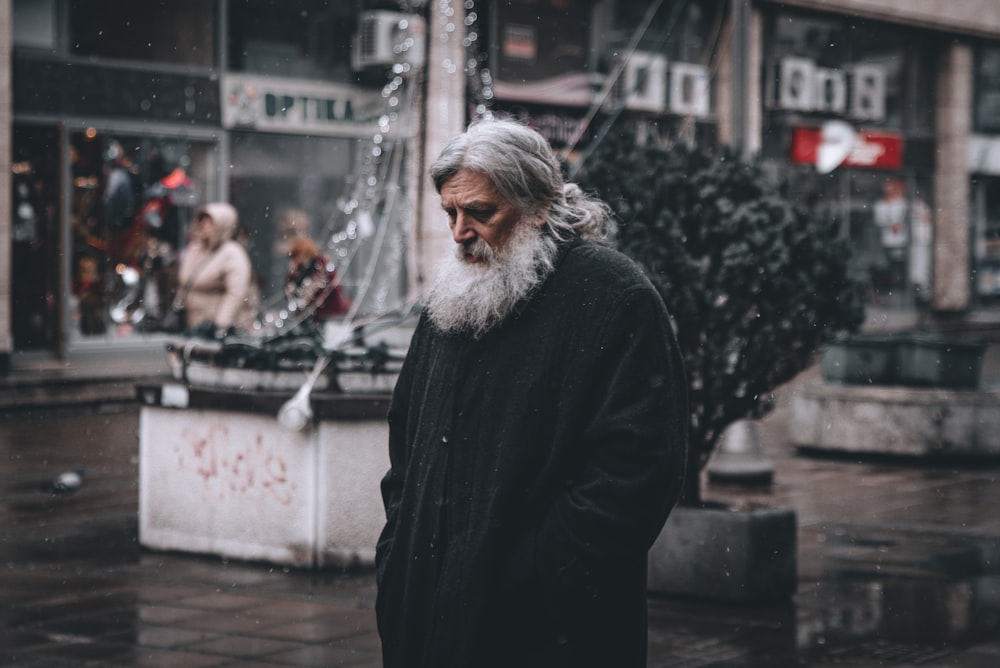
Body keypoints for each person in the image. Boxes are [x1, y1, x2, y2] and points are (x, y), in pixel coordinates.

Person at [375, 117, 689, 668]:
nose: (459, 232)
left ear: (539, 205)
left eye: (481, 213)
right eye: (451, 212)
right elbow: (406, 448)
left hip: (549, 632)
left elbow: (637, 471)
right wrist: (398, 552)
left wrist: (537, 572)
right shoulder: (450, 298)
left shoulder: (614, 297)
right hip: (425, 617)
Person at [173, 202, 257, 333]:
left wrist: (220, 327)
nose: (205, 226)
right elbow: (184, 283)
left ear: (222, 225)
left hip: (215, 330)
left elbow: (235, 294)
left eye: (210, 222)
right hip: (192, 326)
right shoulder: (195, 249)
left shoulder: (232, 253)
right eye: (203, 221)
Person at [284, 236, 351, 320]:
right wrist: (293, 273)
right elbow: (289, 293)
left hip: (329, 313)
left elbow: (318, 290)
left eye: (299, 255)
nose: (298, 259)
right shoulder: (299, 270)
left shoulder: (321, 265)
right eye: (294, 257)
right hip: (314, 316)